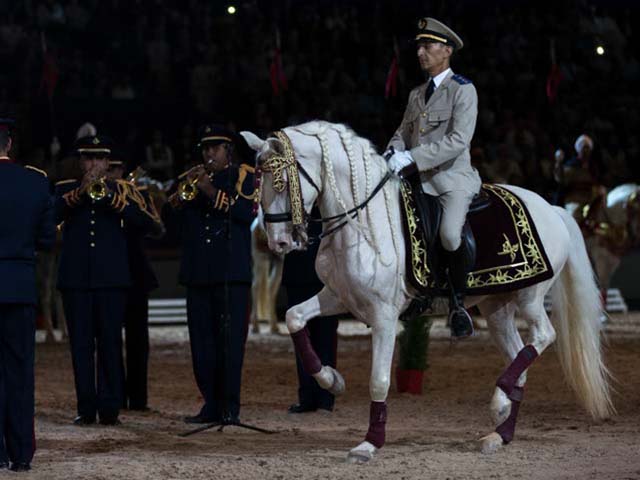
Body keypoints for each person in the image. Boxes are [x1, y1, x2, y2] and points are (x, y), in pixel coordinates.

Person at [55, 135, 162, 426]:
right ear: (81, 162)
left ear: (106, 162)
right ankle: (86, 407)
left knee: (110, 344)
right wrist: (79, 194)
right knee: (81, 346)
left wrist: (114, 201)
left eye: (98, 159)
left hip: (112, 280)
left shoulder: (122, 190)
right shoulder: (65, 188)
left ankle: (110, 407)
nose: (93, 164)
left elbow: (148, 224)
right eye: (88, 158)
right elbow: (50, 216)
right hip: (76, 280)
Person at [386, 17, 481, 338]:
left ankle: (458, 303)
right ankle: (417, 293)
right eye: (419, 47)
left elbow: (458, 140)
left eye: (427, 46)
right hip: (416, 181)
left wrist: (412, 157)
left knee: (450, 236)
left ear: (447, 50)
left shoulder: (463, 90)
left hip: (452, 179)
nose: (420, 52)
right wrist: (392, 152)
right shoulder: (416, 94)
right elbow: (402, 132)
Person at [163, 124, 256, 424]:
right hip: (198, 272)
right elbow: (168, 220)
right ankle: (210, 404)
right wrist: (181, 196)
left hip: (230, 272)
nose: (208, 154)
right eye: (205, 148)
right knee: (202, 344)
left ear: (228, 150)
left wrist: (209, 190)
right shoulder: (190, 179)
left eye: (215, 148)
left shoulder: (243, 176)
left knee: (230, 343)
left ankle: (229, 407)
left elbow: (245, 214)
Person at [0, 118, 56, 472]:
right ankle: (21, 453)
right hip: (19, 286)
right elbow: (47, 240)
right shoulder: (35, 182)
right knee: (20, 372)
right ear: (9, 143)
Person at [106, 154, 164, 411]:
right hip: (108, 276)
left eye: (115, 168)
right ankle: (115, 396)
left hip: (136, 274)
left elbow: (156, 228)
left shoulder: (137, 194)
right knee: (109, 339)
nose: (111, 174)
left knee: (138, 341)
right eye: (108, 169)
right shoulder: (94, 195)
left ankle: (139, 399)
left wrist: (126, 202)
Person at [283, 212, 339, 414]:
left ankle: (325, 397)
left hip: (325, 276)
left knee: (325, 338)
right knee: (301, 340)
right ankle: (307, 396)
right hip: (297, 272)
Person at [555, 134, 606, 216]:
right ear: (579, 150)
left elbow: (597, 183)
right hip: (573, 201)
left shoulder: (593, 167)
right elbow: (560, 179)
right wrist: (558, 163)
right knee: (574, 215)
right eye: (584, 148)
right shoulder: (571, 165)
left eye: (587, 148)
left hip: (589, 201)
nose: (586, 150)